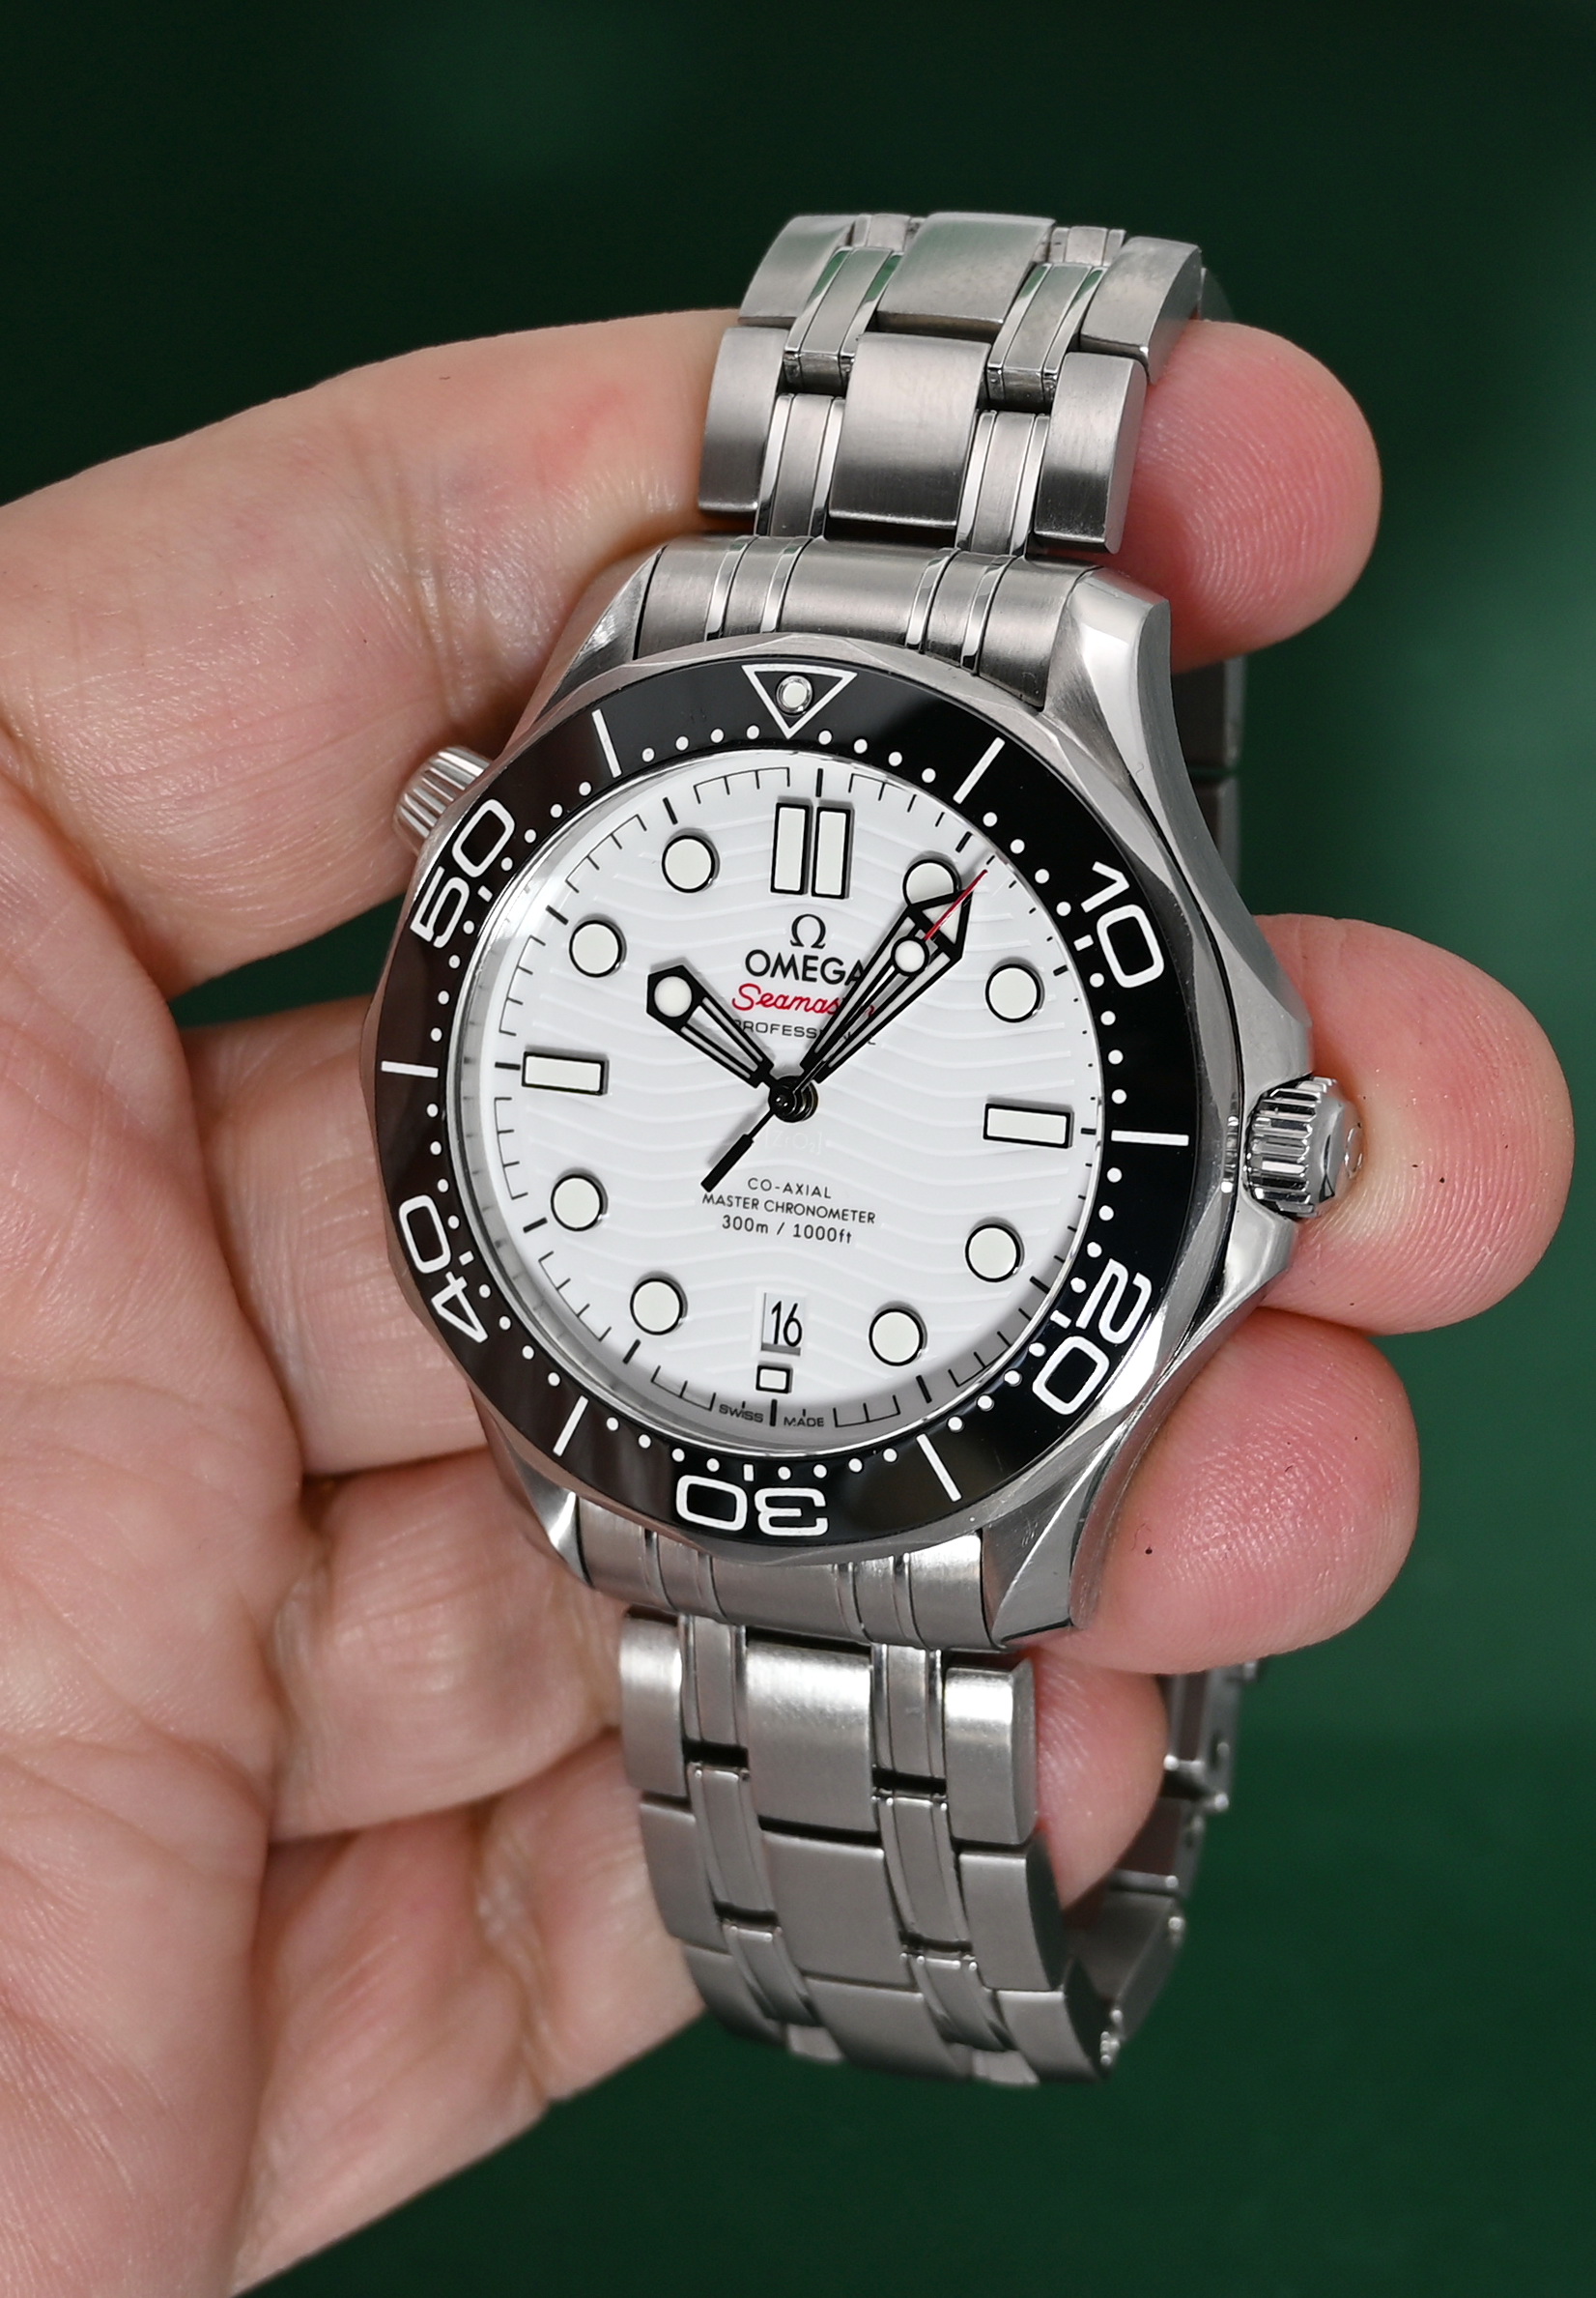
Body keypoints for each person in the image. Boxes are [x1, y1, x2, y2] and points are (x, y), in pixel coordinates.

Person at [0, 306, 1571, 2291]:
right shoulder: (626, 716)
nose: (794, 1101)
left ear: (1272, 1145)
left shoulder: (1050, 789)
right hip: (654, 1411)